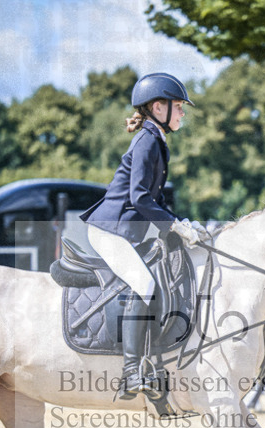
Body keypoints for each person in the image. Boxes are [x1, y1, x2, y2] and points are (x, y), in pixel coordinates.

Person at [79, 73, 208, 399]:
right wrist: (172, 226)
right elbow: (139, 198)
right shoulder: (148, 140)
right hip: (111, 230)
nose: (182, 114)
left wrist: (182, 224)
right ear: (157, 107)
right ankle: (132, 372)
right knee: (146, 283)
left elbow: (157, 199)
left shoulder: (156, 140)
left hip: (127, 230)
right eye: (178, 107)